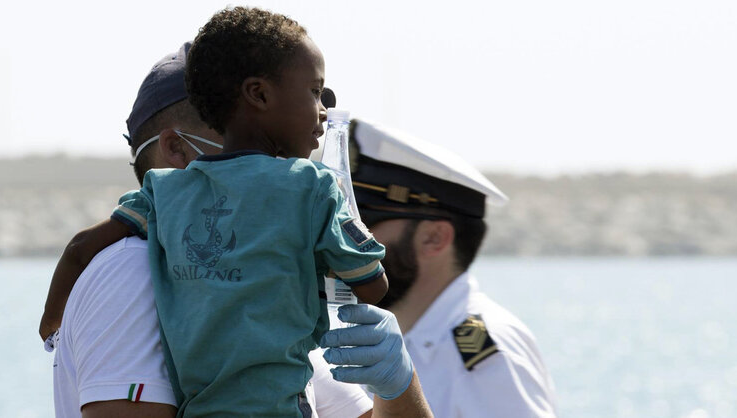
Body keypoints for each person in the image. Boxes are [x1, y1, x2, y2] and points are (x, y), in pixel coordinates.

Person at [49, 38, 431, 417]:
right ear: (177, 150)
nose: (280, 167)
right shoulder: (131, 272)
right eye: (259, 153)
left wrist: (398, 385)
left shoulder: (253, 299)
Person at [343, 120, 559, 417]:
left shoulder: (486, 352)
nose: (347, 242)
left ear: (434, 238)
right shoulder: (395, 340)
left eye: (364, 225)